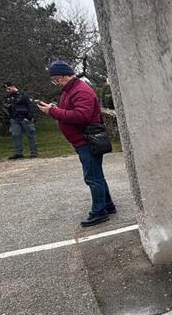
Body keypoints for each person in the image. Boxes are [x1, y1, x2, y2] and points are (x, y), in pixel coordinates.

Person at [37, 61, 116, 226]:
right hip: (82, 140)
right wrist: (55, 108)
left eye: (57, 79)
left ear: (66, 75)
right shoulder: (70, 90)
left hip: (87, 140)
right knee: (96, 175)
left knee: (92, 177)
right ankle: (107, 206)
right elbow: (71, 110)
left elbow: (82, 116)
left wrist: (53, 111)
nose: (56, 83)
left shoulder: (81, 91)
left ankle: (99, 212)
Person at [3, 81, 38, 159]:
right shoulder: (8, 97)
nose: (7, 91)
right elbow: (8, 107)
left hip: (25, 118)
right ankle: (18, 153)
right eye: (6, 89)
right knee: (16, 135)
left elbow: (31, 106)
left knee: (30, 135)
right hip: (15, 119)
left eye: (8, 88)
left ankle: (33, 152)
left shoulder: (23, 95)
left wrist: (28, 117)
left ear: (13, 86)